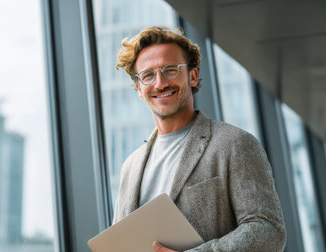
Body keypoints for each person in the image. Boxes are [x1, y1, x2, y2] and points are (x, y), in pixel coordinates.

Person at [113, 26, 286, 252]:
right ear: (138, 88)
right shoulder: (130, 167)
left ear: (192, 76)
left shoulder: (234, 144)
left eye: (170, 70)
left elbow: (268, 231)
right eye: (148, 75)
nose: (160, 83)